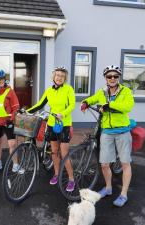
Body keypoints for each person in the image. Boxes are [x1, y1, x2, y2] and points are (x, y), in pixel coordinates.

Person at [81, 65, 135, 207]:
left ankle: (123, 194)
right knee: (104, 164)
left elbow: (128, 106)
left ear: (118, 78)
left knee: (125, 163)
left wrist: (109, 104)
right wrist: (85, 102)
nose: (112, 78)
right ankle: (108, 187)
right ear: (105, 78)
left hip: (123, 131)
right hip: (107, 132)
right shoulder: (102, 92)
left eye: (115, 76)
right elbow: (93, 98)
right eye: (109, 76)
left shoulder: (126, 91)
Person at [26, 66, 76, 192]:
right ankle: (56, 174)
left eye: (62, 76)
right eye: (57, 75)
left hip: (64, 124)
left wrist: (63, 113)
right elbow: (40, 104)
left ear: (64, 78)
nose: (59, 78)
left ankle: (71, 179)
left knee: (64, 153)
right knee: (54, 152)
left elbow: (72, 105)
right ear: (53, 76)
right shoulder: (49, 90)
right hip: (52, 123)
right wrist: (27, 111)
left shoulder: (68, 89)